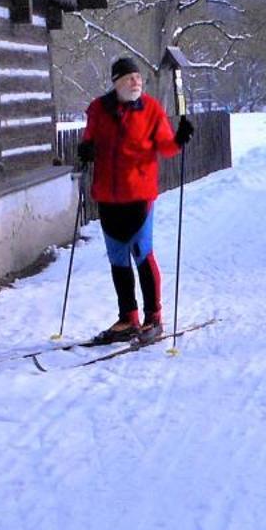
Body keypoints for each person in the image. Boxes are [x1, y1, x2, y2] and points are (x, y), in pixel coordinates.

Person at [76, 57, 194, 339]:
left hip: (139, 195)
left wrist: (179, 140)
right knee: (118, 258)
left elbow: (165, 147)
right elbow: (88, 139)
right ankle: (128, 317)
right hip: (106, 195)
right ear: (116, 82)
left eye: (138, 77)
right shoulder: (98, 109)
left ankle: (154, 317)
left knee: (142, 253)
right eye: (130, 77)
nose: (136, 81)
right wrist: (86, 150)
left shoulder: (151, 109)